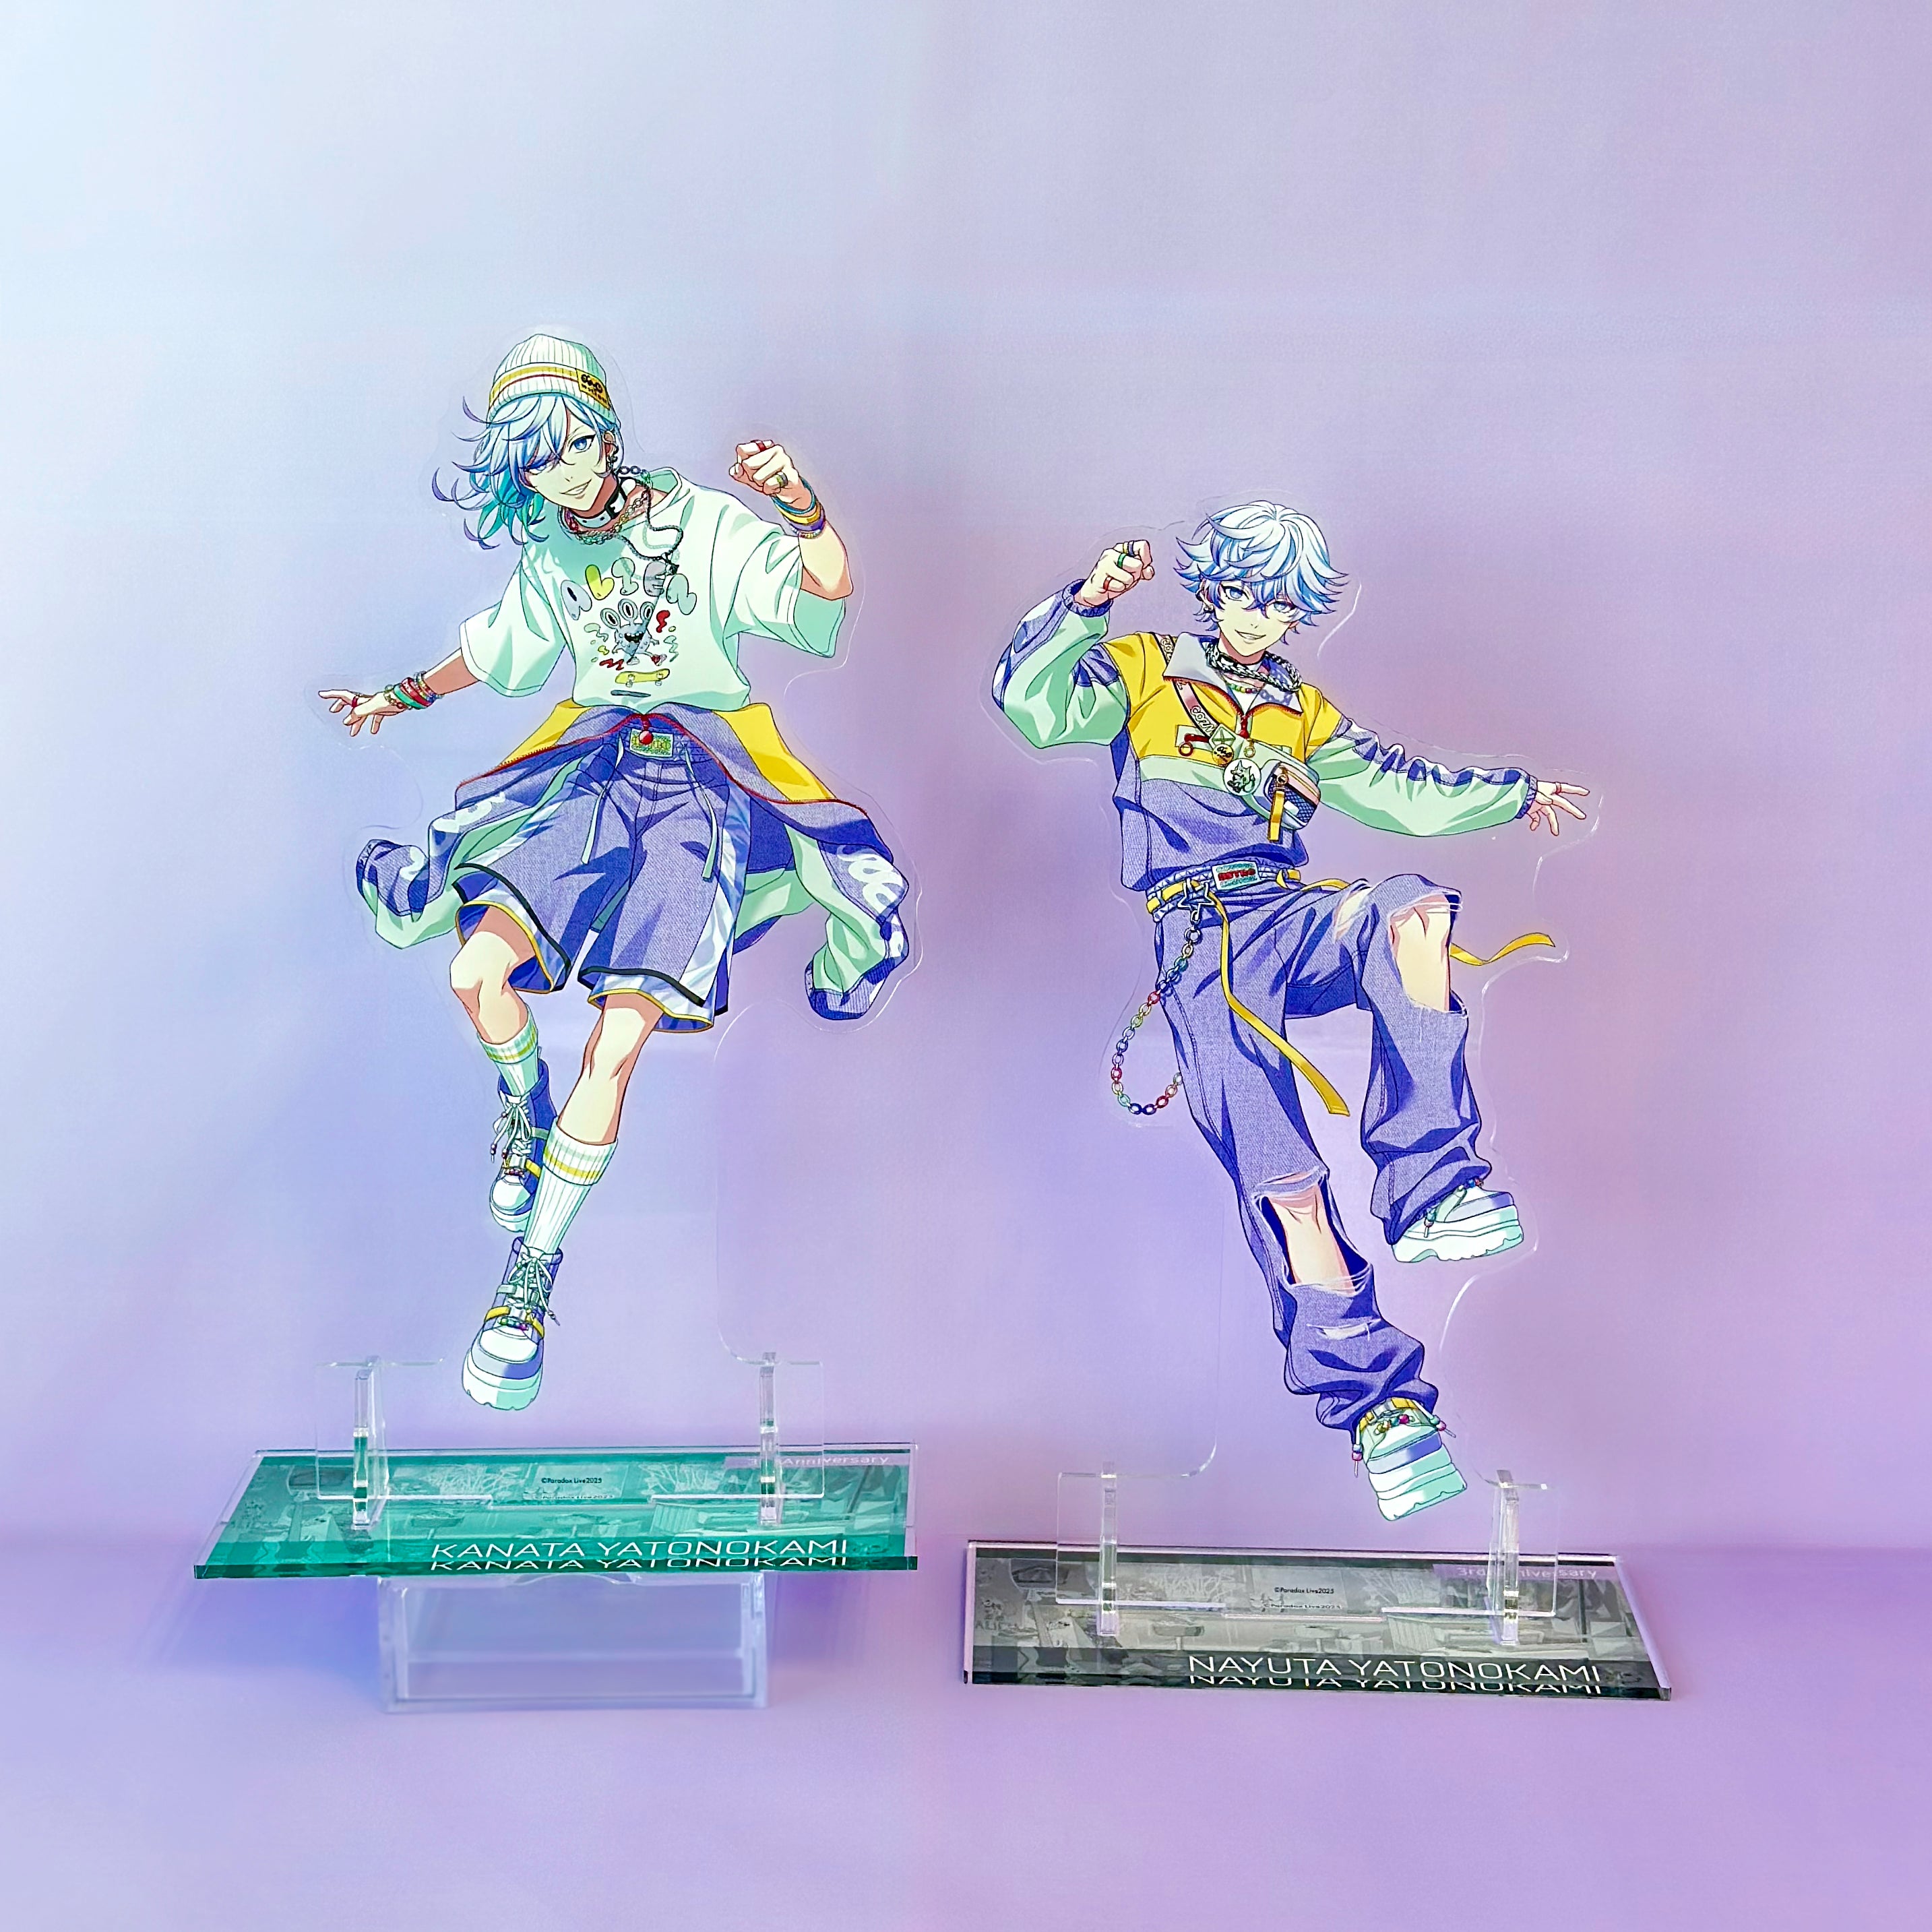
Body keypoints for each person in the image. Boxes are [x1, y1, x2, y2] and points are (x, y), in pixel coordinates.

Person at [322, 334, 908, 1412]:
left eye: (580, 443)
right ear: (521, 476)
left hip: (694, 790)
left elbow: (824, 589)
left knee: (619, 1040)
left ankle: (528, 1281)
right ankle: (523, 1101)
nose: (570, 472)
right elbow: (498, 650)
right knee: (474, 976)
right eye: (542, 460)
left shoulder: (701, 522)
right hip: (586, 773)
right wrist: (395, 697)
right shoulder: (551, 550)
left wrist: (801, 505)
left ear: (607, 429)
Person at [992, 503, 1586, 1520]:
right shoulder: (1145, 670)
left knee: (1412, 912)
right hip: (1200, 939)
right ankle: (1382, 1411)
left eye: (1279, 605)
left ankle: (1431, 1186)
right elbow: (1035, 708)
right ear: (1212, 589)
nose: (1259, 619)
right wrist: (1087, 603)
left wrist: (1510, 793)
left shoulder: (1297, 707)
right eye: (1243, 595)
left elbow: (1398, 789)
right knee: (1290, 1184)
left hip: (1286, 913)